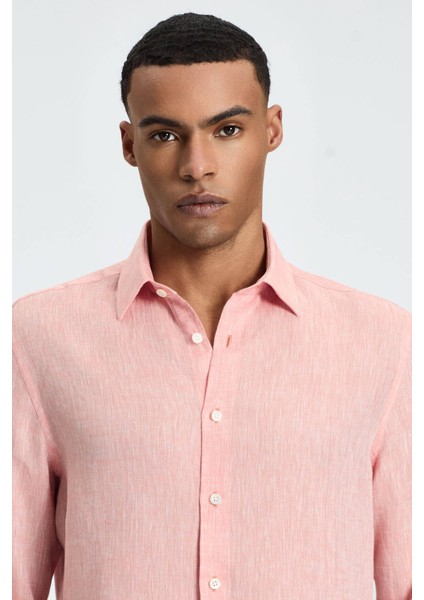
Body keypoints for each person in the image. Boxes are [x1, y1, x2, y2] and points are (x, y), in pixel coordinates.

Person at [12, 12, 411, 600]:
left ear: (271, 130)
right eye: (164, 135)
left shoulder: (384, 342)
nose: (196, 166)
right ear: (129, 145)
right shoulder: (36, 337)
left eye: (226, 129)